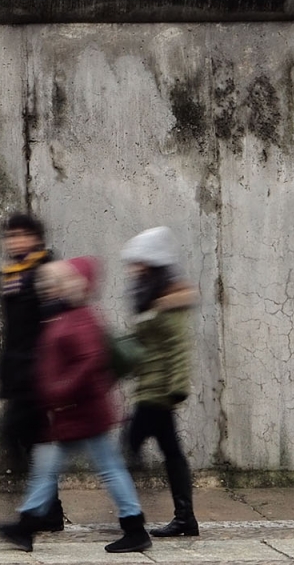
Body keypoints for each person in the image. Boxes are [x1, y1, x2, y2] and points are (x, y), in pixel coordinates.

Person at [0, 257, 150, 554]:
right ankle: (26, 526)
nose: (56, 286)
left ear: (80, 284)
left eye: (64, 280)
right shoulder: (67, 314)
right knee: (49, 469)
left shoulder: (83, 317)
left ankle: (134, 528)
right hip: (71, 413)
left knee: (107, 468)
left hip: (83, 412)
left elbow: (91, 361)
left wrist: (60, 390)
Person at [121, 227, 199, 538]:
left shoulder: (169, 301)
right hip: (150, 388)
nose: (133, 268)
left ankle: (132, 515)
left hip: (159, 392)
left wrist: (177, 388)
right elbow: (144, 343)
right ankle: (184, 518)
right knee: (170, 452)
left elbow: (178, 348)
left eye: (138, 262)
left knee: (127, 448)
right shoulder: (149, 294)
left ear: (152, 262)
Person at [0, 213, 65, 530]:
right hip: (19, 370)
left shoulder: (44, 272)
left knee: (17, 435)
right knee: (34, 440)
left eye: (23, 235)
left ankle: (34, 513)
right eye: (11, 236)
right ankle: (49, 510)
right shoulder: (13, 274)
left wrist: (46, 366)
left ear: (36, 238)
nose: (16, 241)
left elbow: (53, 325)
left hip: (37, 371)